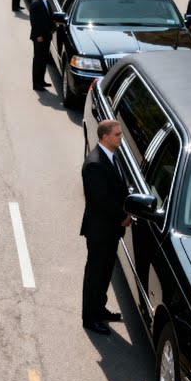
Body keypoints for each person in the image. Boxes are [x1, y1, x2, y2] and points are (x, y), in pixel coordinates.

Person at [80, 119, 130, 336]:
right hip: (100, 230)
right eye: (117, 135)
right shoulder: (94, 164)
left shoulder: (112, 156)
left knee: (105, 272)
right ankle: (90, 318)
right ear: (104, 137)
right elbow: (101, 200)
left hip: (110, 230)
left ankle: (99, 308)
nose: (121, 137)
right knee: (95, 274)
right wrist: (123, 216)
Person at [30, 0, 54, 90]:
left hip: (46, 36)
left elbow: (49, 17)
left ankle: (42, 81)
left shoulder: (46, 1)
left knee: (44, 59)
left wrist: (52, 28)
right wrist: (38, 35)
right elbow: (34, 22)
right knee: (38, 60)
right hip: (39, 37)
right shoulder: (36, 3)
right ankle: (36, 83)